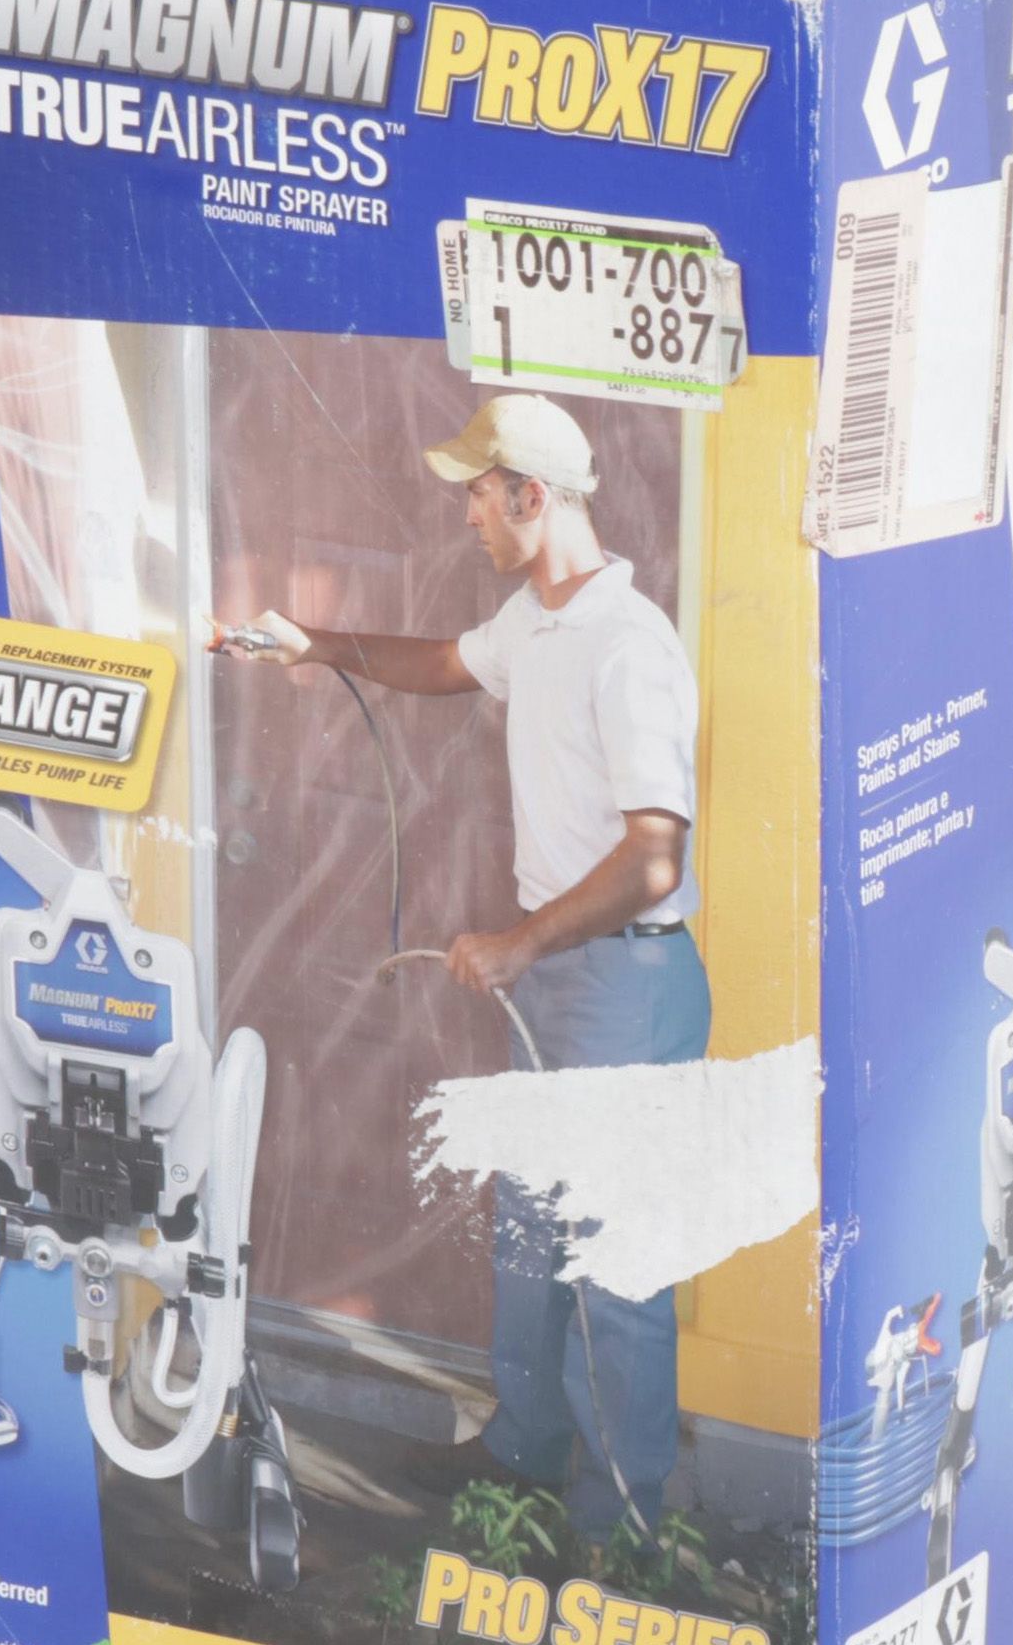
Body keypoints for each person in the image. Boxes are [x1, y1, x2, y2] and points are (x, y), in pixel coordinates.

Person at [221, 392, 707, 1544]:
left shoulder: (630, 646)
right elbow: (444, 662)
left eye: (481, 497)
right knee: (533, 1236)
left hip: (627, 985)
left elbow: (654, 857)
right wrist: (313, 643)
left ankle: (624, 1532)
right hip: (561, 982)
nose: (468, 518)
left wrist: (520, 943)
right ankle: (524, 1454)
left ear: (533, 495)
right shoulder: (534, 622)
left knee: (613, 1270)